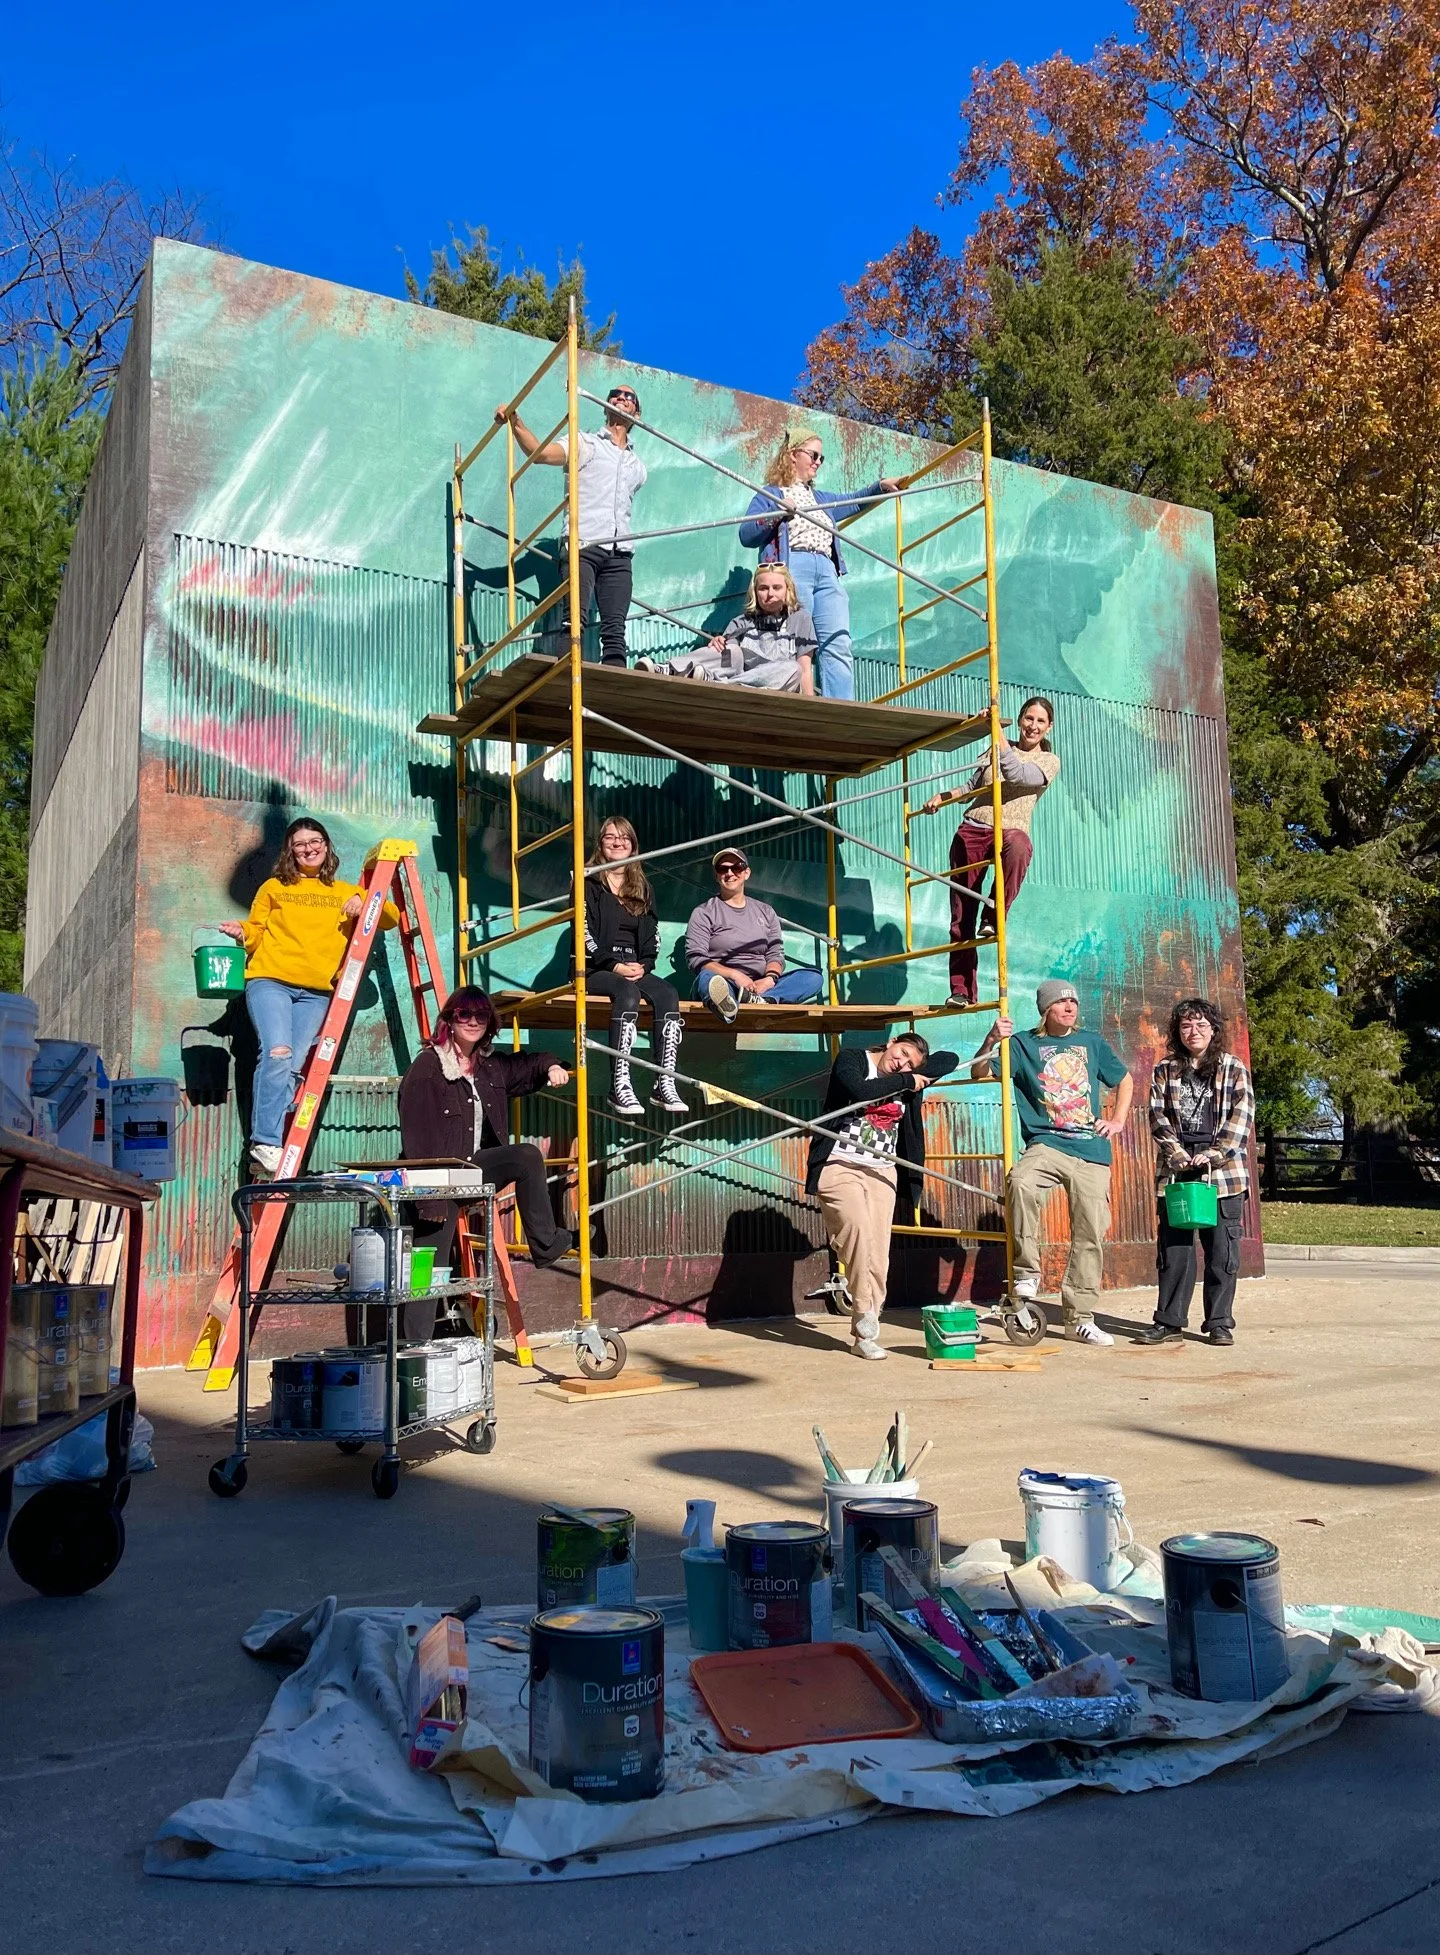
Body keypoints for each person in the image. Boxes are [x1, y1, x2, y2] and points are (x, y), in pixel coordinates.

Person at [220, 817, 398, 1177]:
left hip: (316, 993)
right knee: (277, 1053)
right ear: (291, 851)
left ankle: (266, 1144)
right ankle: (265, 1142)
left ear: (327, 845)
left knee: (294, 1061)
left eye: (315, 840)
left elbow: (390, 916)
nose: (309, 848)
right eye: (300, 843)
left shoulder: (344, 892)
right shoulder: (273, 888)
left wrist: (363, 903)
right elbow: (256, 931)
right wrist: (241, 932)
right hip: (270, 982)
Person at [971, 979, 1133, 1347]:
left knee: (1090, 1232)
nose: (1070, 1007)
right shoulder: (1024, 1045)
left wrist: (1118, 1121)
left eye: (1073, 1001)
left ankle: (1081, 1318)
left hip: (1091, 1150)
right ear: (1046, 1009)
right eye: (1061, 1002)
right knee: (1020, 1182)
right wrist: (991, 1040)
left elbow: (1124, 1080)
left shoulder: (1091, 1042)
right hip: (1047, 1143)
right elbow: (978, 1073)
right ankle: (1027, 1273)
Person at [398, 986, 575, 1287]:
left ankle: (547, 1244)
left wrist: (553, 1066)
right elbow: (417, 1139)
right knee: (425, 1278)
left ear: (489, 1023)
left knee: (526, 1156)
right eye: (463, 1014)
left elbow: (529, 1063)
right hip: (436, 1182)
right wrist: (430, 1202)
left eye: (481, 1015)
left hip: (473, 1170)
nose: (472, 1021)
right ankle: (415, 1336)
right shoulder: (428, 1066)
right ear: (449, 1020)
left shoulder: (490, 1067)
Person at [806, 1032, 958, 1359]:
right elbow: (860, 1090)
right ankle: (864, 1310)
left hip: (882, 1171)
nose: (902, 1061)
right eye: (902, 1052)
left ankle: (866, 1330)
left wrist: (919, 1074)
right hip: (839, 1163)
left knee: (878, 1251)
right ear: (890, 1043)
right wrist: (908, 1078)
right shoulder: (853, 1059)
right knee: (858, 1232)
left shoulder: (911, 1077)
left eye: (911, 1062)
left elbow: (951, 1060)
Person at [737, 427, 900, 700]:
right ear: (792, 455)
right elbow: (746, 535)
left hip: (827, 571)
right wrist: (777, 511)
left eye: (821, 458)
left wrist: (880, 487)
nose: (817, 462)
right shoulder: (771, 493)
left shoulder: (820, 499)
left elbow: (852, 501)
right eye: (813, 455)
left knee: (838, 641)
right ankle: (796, 702)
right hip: (793, 566)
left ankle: (841, 708)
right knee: (796, 642)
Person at [919, 697, 1059, 1007]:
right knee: (961, 916)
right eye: (1028, 718)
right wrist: (943, 797)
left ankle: (995, 915)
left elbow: (1017, 774)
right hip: (973, 828)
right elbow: (972, 785)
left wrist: (994, 729)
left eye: (1040, 721)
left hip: (1009, 829)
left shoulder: (1048, 760)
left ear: (1048, 727)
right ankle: (961, 990)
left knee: (1020, 846)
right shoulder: (996, 746)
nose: (1032, 726)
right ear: (1020, 719)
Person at [495, 383, 646, 666]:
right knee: (574, 620)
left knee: (615, 629)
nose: (621, 398)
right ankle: (567, 679)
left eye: (629, 397)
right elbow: (540, 454)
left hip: (619, 551)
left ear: (636, 414)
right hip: (583, 543)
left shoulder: (638, 467)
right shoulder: (584, 442)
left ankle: (614, 685)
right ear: (606, 405)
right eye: (615, 393)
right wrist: (516, 423)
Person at [1140, 998, 1255, 1347]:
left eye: (1202, 1025)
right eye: (1187, 1025)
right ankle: (1168, 1321)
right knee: (1175, 1251)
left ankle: (1219, 1322)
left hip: (1223, 1175)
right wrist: (1175, 1154)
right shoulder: (1165, 1069)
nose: (1194, 1031)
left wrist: (1214, 1154)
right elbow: (1157, 1116)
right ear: (1177, 1031)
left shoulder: (1233, 1068)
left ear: (1214, 1030)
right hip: (1178, 1173)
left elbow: (1242, 1116)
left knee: (1222, 1252)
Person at [582, 816, 687, 1117]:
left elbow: (653, 934)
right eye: (610, 836)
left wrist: (645, 964)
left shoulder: (642, 886)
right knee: (627, 994)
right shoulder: (588, 882)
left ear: (633, 845)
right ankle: (619, 1086)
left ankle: (664, 1082)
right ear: (600, 843)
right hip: (597, 967)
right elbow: (583, 932)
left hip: (634, 966)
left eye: (624, 837)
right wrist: (613, 965)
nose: (618, 842)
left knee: (667, 995)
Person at [685, 850, 823, 1023]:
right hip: (725, 981)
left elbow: (775, 953)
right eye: (723, 868)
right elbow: (697, 960)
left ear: (747, 873)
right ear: (716, 875)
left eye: (737, 868)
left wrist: (769, 979)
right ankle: (728, 1002)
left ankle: (765, 1001)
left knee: (813, 977)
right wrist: (735, 975)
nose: (729, 873)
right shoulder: (704, 912)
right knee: (706, 979)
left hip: (761, 987)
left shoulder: (766, 912)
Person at [644, 566, 817, 693]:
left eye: (776, 588)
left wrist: (810, 708)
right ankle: (671, 668)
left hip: (771, 687)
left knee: (793, 668)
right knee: (731, 650)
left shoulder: (800, 619)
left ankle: (721, 683)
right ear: (755, 593)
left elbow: (805, 667)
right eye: (763, 588)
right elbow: (728, 658)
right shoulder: (741, 622)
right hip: (736, 676)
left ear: (788, 590)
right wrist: (719, 644)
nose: (770, 594)